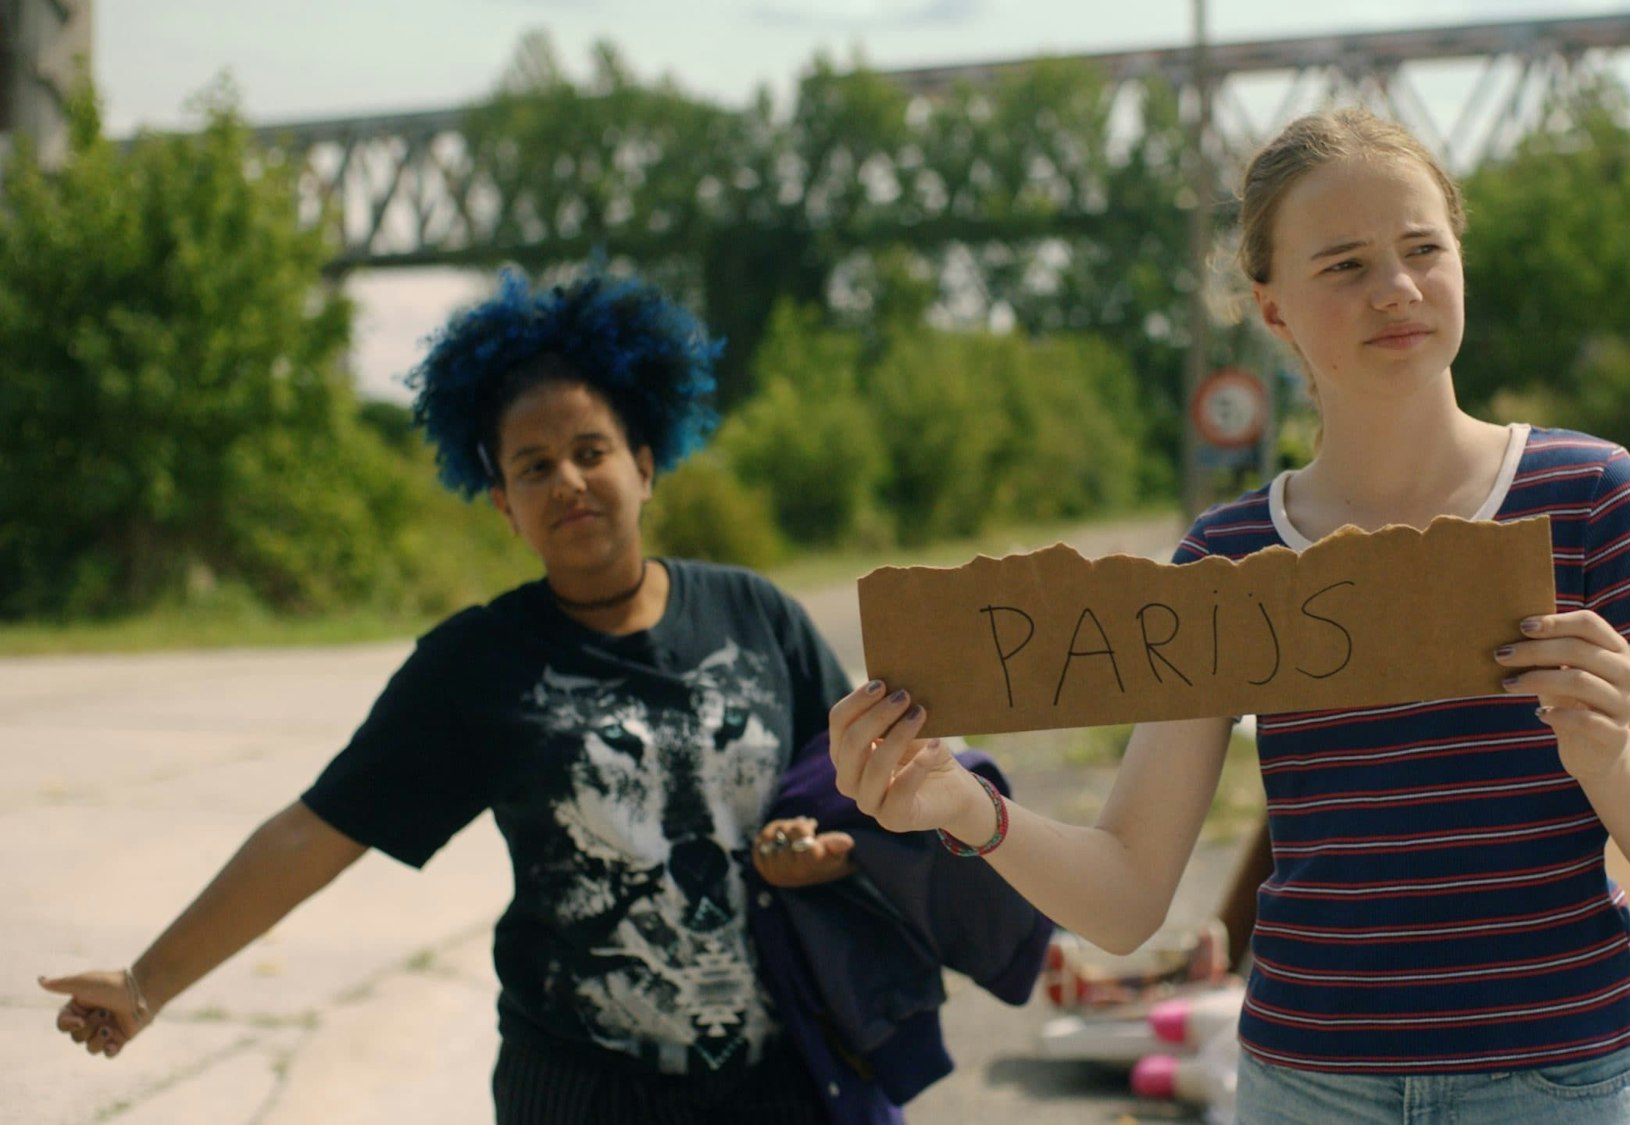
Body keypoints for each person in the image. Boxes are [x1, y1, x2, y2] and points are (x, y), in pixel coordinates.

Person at [828, 107, 1630, 1123]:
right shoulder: (1227, 560)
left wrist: (1609, 755)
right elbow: (1126, 898)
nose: (1394, 288)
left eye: (1421, 249)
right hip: (1305, 1090)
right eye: (1343, 265)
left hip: (1560, 1078)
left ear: (1459, 259)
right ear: (1270, 311)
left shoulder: (1592, 498)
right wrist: (962, 807)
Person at [37, 271, 1047, 1125]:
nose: (566, 479)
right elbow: (313, 835)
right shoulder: (477, 668)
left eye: (590, 451)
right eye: (532, 466)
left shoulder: (759, 616)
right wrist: (144, 985)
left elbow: (860, 799)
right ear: (504, 508)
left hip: (788, 1080)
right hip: (578, 1091)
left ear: (645, 466)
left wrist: (820, 849)